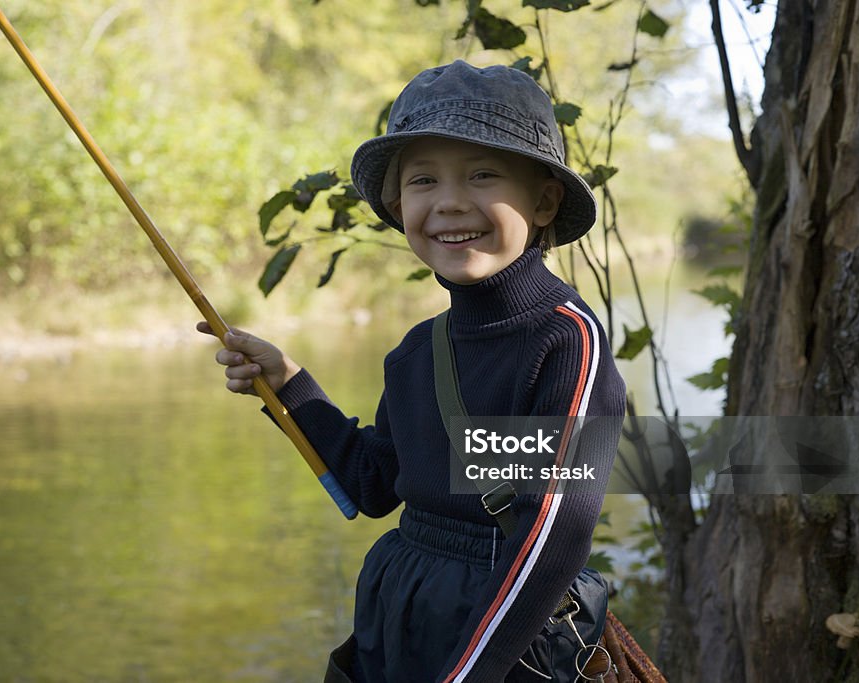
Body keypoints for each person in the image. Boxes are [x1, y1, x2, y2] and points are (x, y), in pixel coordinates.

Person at [197, 60, 626, 682]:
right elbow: (373, 485)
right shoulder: (419, 350)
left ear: (544, 199)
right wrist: (290, 384)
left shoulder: (565, 340)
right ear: (399, 205)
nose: (450, 202)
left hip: (499, 636)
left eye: (482, 174)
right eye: (423, 181)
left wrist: (470, 675)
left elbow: (549, 541)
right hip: (399, 616)